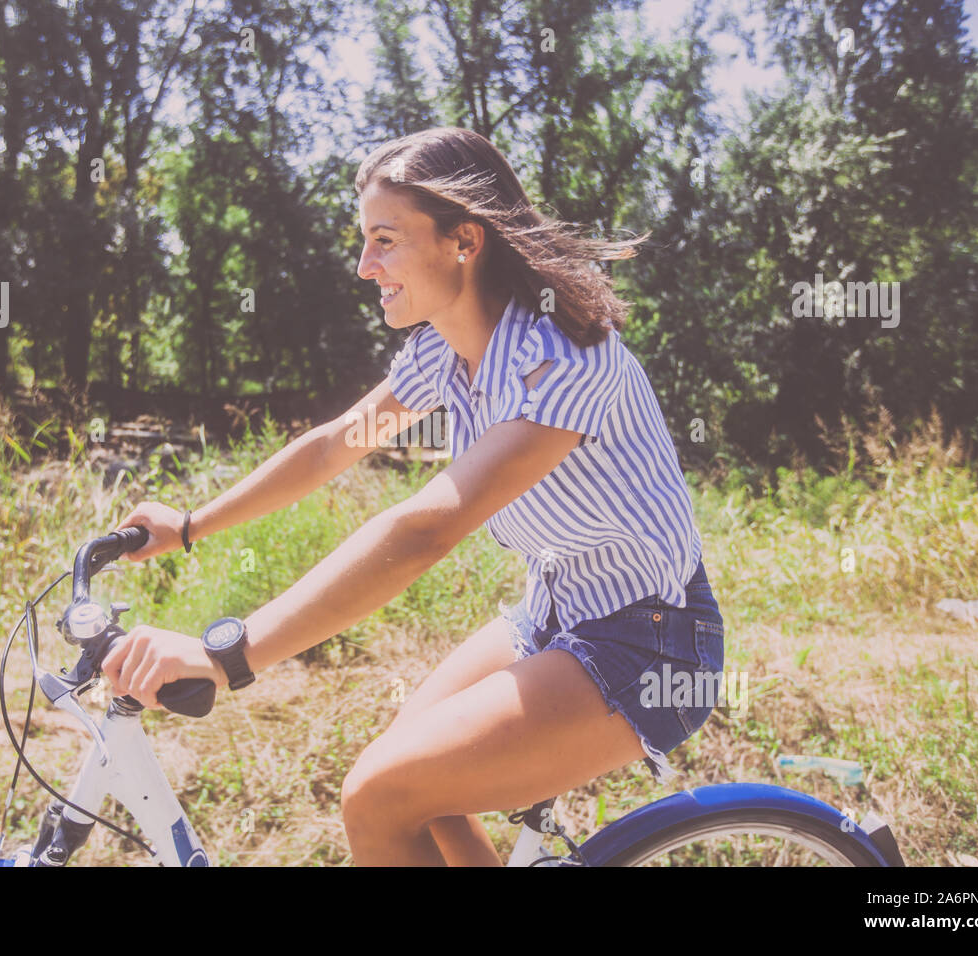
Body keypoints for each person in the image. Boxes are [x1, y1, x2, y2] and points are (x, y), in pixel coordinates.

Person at [103, 126, 725, 866]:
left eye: (385, 240)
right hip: (557, 612)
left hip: (652, 644)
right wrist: (192, 523)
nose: (365, 266)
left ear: (464, 241)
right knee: (412, 777)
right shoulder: (444, 350)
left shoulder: (560, 360)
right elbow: (338, 442)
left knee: (379, 795)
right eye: (365, 240)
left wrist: (229, 656)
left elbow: (428, 528)